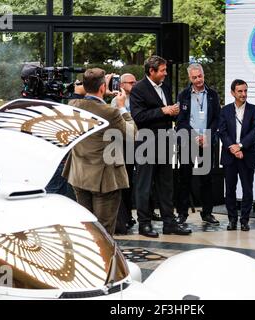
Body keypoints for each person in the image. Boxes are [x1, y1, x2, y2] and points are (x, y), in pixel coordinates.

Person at [63, 68, 137, 236]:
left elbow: (79, 92)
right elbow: (133, 134)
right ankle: (104, 261)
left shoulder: (73, 105)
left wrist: (93, 85)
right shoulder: (110, 112)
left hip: (80, 175)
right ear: (103, 87)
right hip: (104, 179)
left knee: (87, 227)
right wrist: (122, 108)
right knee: (103, 230)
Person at [130, 55, 191, 237]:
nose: (165, 73)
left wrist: (173, 112)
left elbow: (165, 113)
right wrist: (163, 110)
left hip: (165, 140)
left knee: (166, 185)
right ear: (152, 71)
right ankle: (144, 224)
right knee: (144, 185)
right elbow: (139, 117)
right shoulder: (138, 89)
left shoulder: (165, 86)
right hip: (146, 142)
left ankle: (169, 223)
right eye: (162, 70)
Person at [175, 63, 221, 225]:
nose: (198, 80)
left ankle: (207, 213)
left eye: (199, 76)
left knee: (206, 179)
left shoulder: (212, 95)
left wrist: (207, 135)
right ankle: (182, 213)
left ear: (203, 75)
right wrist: (194, 136)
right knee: (184, 178)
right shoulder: (183, 95)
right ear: (190, 78)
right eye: (194, 77)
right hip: (189, 141)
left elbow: (217, 118)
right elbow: (180, 121)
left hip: (207, 141)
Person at [219, 79, 255, 232]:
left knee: (247, 189)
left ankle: (244, 220)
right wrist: (233, 147)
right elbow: (222, 131)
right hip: (230, 155)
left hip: (247, 155)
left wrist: (241, 146)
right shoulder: (224, 111)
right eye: (240, 91)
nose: (243, 94)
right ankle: (232, 220)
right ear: (233, 93)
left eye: (245, 91)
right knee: (230, 189)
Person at [111, 73, 138, 234]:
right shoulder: (117, 101)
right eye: (131, 82)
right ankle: (124, 216)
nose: (134, 84)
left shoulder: (136, 98)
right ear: (122, 84)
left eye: (136, 82)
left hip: (137, 143)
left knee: (132, 182)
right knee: (125, 182)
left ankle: (130, 215)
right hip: (123, 145)